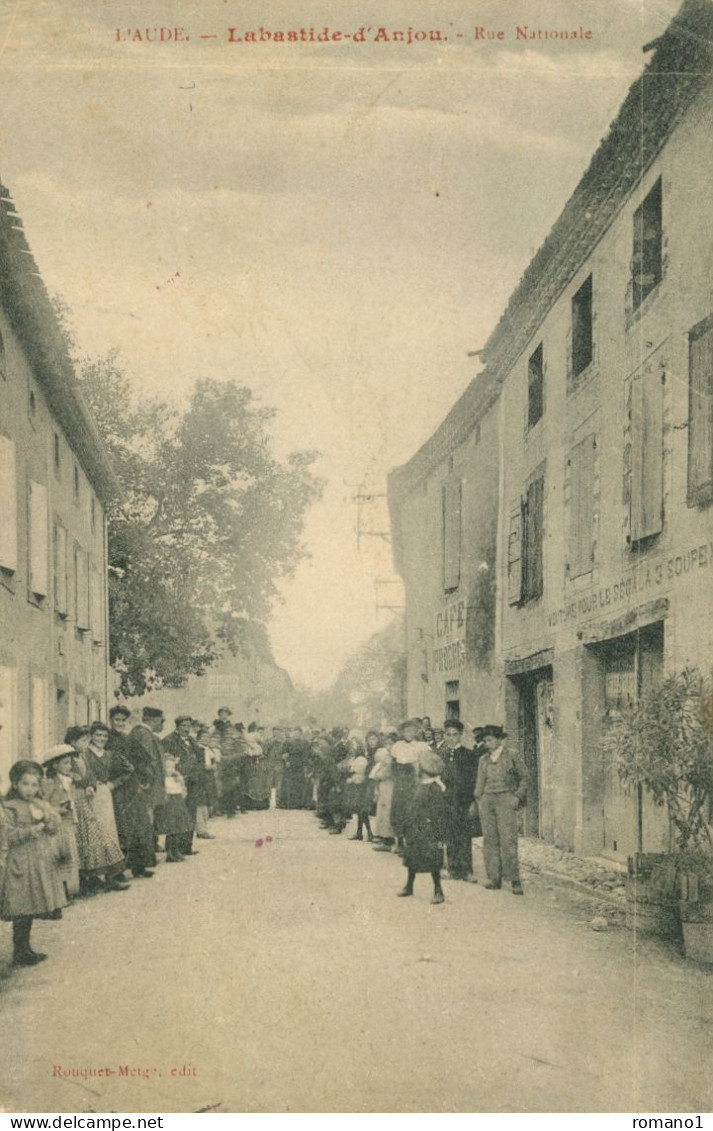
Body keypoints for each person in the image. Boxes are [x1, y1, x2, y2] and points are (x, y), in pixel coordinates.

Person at [1, 760, 66, 966]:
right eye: (25, 784)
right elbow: (8, 836)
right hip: (20, 863)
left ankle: (26, 948)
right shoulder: (9, 807)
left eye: (34, 785)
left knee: (30, 906)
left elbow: (54, 828)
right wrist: (31, 831)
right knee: (21, 907)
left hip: (38, 862)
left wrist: (50, 819)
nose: (30, 789)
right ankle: (20, 951)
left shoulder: (39, 803)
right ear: (15, 784)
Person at [65, 725, 128, 894]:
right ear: (72, 742)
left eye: (87, 740)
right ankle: (88, 879)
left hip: (87, 798)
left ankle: (104, 876)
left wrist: (91, 785)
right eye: (83, 740)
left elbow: (90, 775)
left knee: (95, 835)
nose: (86, 743)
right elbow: (68, 775)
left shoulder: (83, 756)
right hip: (76, 800)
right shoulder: (70, 758)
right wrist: (81, 783)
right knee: (85, 838)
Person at [474, 725, 528, 895]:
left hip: (506, 799)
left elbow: (525, 777)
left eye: (490, 740)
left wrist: (517, 797)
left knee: (508, 840)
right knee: (490, 840)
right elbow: (480, 782)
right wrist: (478, 799)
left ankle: (514, 880)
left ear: (499, 739)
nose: (487, 743)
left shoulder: (511, 755)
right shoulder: (483, 759)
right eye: (485, 740)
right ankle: (494, 878)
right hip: (487, 801)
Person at [106, 706, 155, 880]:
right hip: (116, 789)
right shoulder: (106, 740)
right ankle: (117, 871)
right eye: (116, 720)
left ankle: (138, 866)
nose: (120, 723)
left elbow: (144, 760)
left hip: (132, 788)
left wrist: (143, 779)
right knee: (120, 828)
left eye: (122, 720)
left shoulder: (129, 739)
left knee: (138, 826)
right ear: (110, 721)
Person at [398, 748, 447, 905]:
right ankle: (409, 885)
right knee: (412, 856)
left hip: (428, 829)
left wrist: (439, 835)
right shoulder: (419, 785)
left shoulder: (434, 788)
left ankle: (438, 889)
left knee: (432, 859)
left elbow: (438, 814)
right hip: (415, 827)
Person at [440, 719, 480, 883]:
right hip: (446, 800)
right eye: (448, 735)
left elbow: (473, 780)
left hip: (463, 801)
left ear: (461, 735)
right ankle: (452, 869)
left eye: (455, 735)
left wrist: (472, 802)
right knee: (449, 834)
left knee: (464, 835)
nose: (451, 738)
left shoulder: (469, 755)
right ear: (445, 735)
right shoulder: (439, 754)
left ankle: (467, 871)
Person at [41, 745, 81, 899]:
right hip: (57, 824)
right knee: (58, 856)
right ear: (54, 765)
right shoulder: (49, 782)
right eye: (65, 763)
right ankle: (59, 891)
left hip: (68, 822)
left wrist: (74, 818)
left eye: (70, 763)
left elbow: (71, 801)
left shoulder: (69, 780)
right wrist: (57, 809)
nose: (69, 766)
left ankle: (66, 888)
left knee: (68, 854)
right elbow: (45, 804)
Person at [162, 716, 204, 857]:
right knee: (176, 815)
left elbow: (200, 757)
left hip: (193, 782)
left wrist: (197, 771)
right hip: (177, 783)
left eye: (188, 726)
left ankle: (186, 846)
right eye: (184, 725)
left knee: (190, 813)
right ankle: (173, 848)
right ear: (177, 726)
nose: (186, 729)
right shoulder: (169, 740)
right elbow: (165, 761)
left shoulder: (192, 740)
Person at [390, 718, 430, 854]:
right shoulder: (397, 746)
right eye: (406, 730)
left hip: (414, 781)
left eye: (411, 730)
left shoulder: (421, 746)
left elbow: (426, 764)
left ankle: (413, 843)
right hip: (400, 781)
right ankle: (400, 841)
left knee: (413, 811)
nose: (408, 733)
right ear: (402, 732)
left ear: (415, 732)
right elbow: (393, 764)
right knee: (398, 811)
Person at [131, 707, 168, 848]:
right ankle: (148, 848)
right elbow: (147, 760)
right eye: (161, 721)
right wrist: (147, 780)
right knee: (148, 815)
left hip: (151, 783)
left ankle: (152, 844)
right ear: (153, 720)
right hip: (148, 784)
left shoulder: (145, 733)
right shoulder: (144, 734)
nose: (162, 725)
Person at [157, 753, 193, 862]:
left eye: (172, 767)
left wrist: (181, 781)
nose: (170, 769)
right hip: (169, 805)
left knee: (178, 828)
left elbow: (183, 792)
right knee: (171, 830)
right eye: (168, 767)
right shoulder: (163, 780)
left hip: (178, 803)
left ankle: (176, 850)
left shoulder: (176, 778)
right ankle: (170, 853)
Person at [370, 730, 397, 850]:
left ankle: (388, 840)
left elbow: (386, 773)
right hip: (384, 787)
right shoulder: (387, 755)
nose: (388, 746)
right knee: (382, 811)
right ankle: (384, 838)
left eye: (390, 744)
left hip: (389, 786)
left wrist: (376, 775)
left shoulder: (393, 757)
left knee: (386, 812)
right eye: (386, 744)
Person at [345, 736, 373, 842]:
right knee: (360, 810)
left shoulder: (361, 759)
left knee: (361, 810)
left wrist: (350, 777)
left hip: (359, 786)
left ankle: (367, 833)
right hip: (357, 785)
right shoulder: (355, 759)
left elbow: (358, 773)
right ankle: (360, 832)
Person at [241, 723, 270, 811]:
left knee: (256, 782)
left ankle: (253, 803)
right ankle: (258, 803)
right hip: (254, 761)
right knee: (255, 782)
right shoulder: (257, 740)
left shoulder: (247, 740)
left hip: (255, 761)